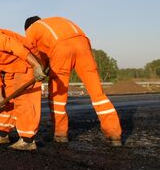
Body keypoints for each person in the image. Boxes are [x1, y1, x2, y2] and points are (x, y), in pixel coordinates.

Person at [24, 16, 122, 146]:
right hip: (83, 46)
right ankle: (114, 134)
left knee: (58, 95)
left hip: (61, 49)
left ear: (27, 28)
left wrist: (38, 69)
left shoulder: (32, 29)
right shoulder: (57, 20)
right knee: (97, 93)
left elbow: (32, 54)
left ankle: (60, 134)